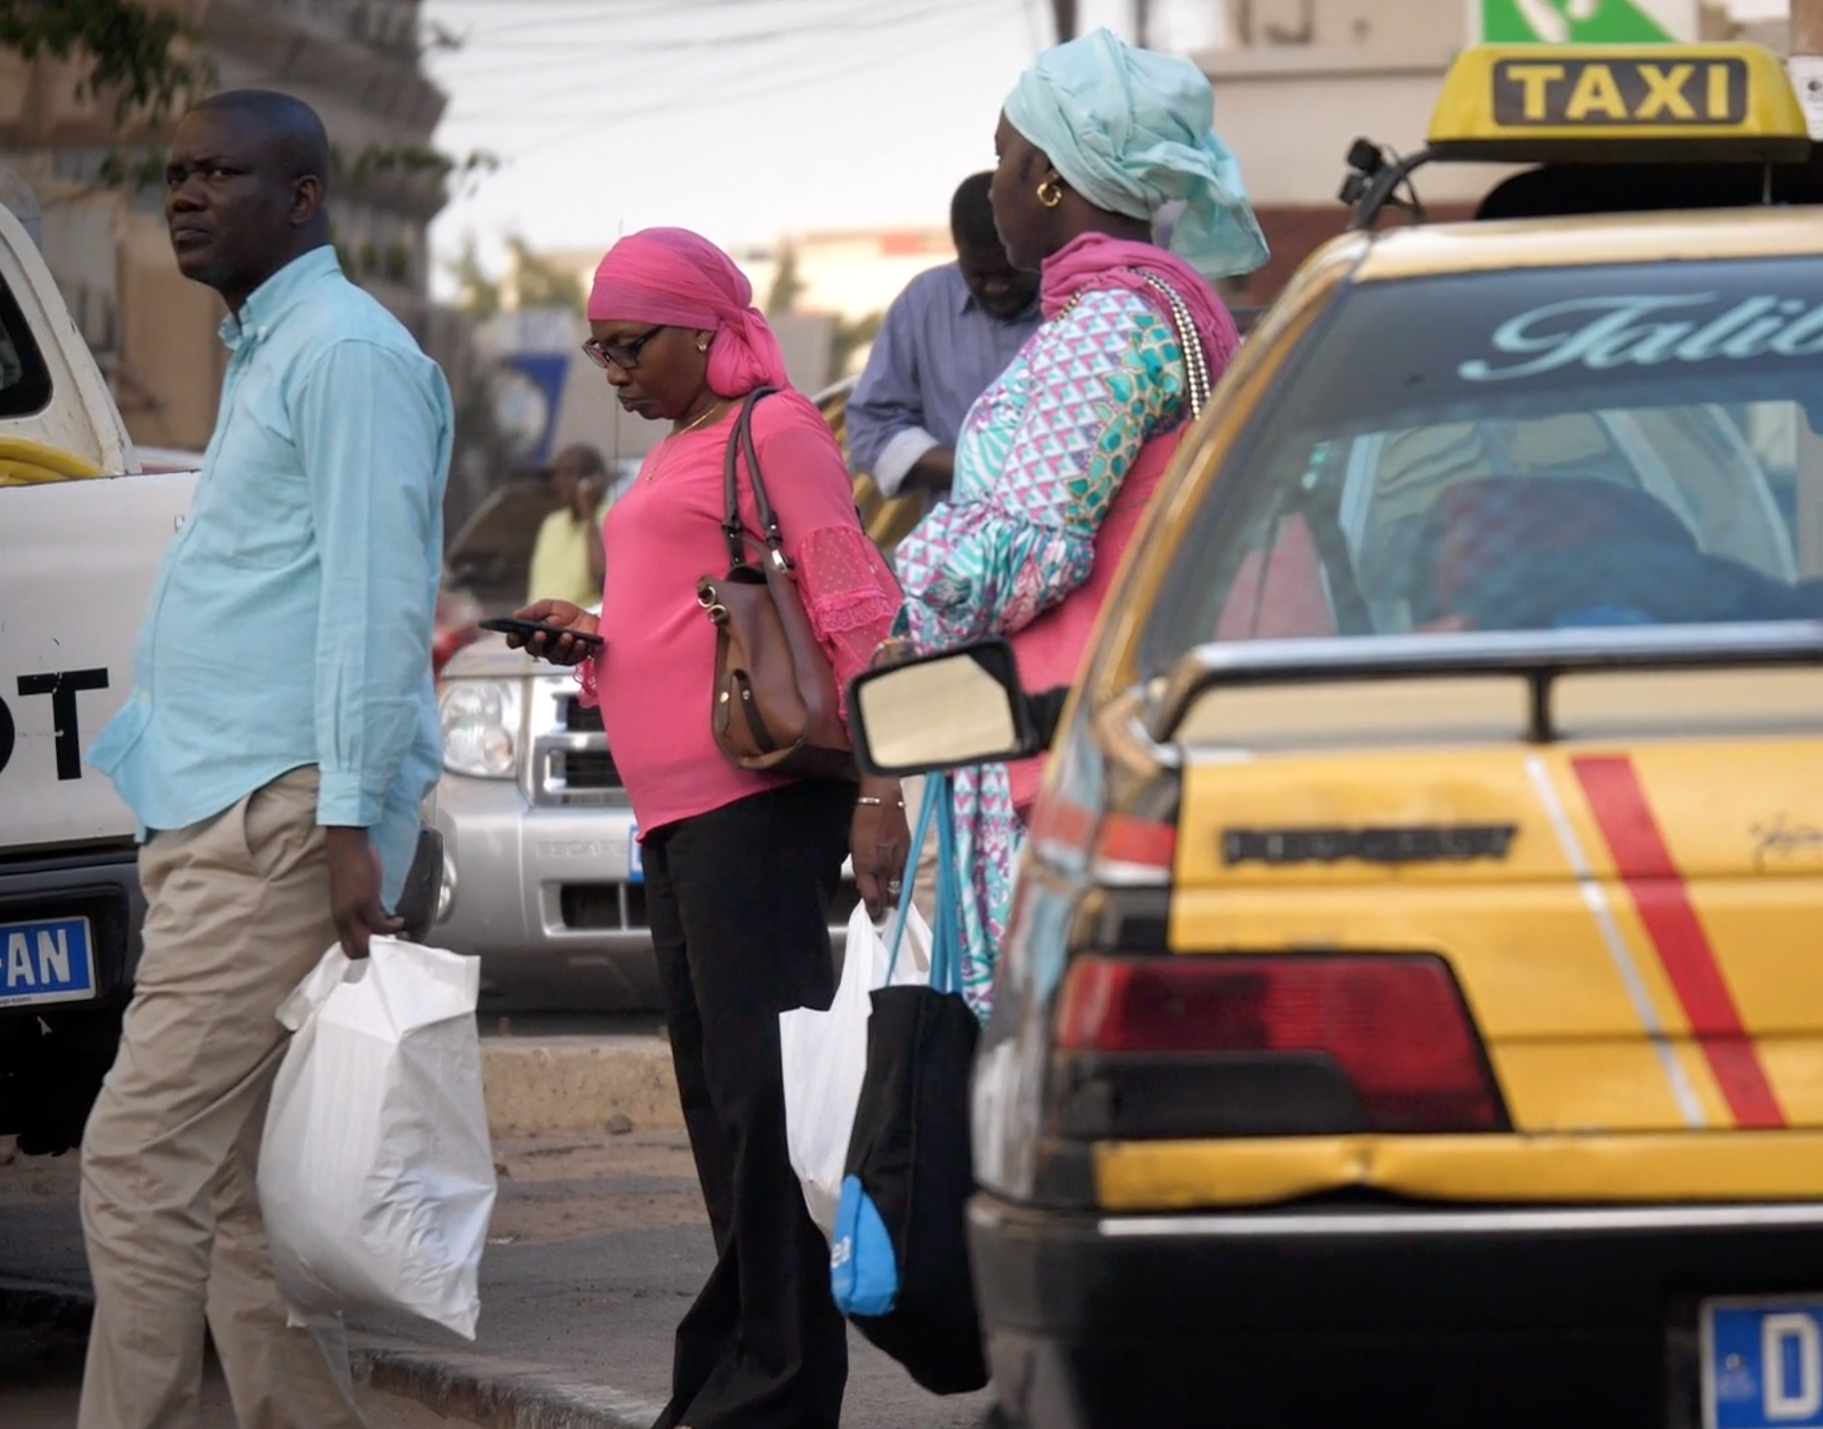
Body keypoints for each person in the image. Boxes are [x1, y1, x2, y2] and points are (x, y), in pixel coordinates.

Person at [78, 89, 452, 1429]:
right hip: (228, 803)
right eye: (175, 172)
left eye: (220, 172)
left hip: (284, 812)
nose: (185, 194)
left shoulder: (343, 354)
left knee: (134, 1157)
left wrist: (352, 821)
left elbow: (373, 603)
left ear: (303, 196)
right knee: (232, 1181)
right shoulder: (271, 349)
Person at [506, 226, 905, 1429]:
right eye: (598, 348)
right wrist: (592, 633)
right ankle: (746, 1364)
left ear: (703, 331)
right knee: (720, 1105)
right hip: (678, 820)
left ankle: (775, 1385)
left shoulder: (771, 428)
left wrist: (884, 788)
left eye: (630, 344)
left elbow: (854, 600)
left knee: (762, 1110)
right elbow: (685, 622)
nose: (613, 368)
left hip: (758, 811)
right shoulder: (679, 447)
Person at [887, 29, 1266, 1014]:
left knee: (1044, 1046)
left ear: (1047, 176)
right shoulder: (1174, 310)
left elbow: (1020, 548)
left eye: (1006, 156)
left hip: (1059, 762)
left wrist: (900, 598)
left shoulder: (1108, 325)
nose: (997, 184)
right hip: (1120, 731)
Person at [845, 172, 1042, 524]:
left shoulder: (1082, 300)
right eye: (979, 275)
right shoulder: (923, 303)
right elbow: (871, 426)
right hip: (956, 548)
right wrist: (971, 471)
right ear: (958, 250)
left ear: (1031, 245)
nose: (996, 287)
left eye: (1009, 273)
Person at [524, 442, 611, 607]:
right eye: (557, 475)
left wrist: (588, 516)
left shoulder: (612, 517)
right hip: (542, 625)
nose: (559, 481)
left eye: (570, 473)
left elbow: (603, 581)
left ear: (593, 479)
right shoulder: (552, 523)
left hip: (582, 626)